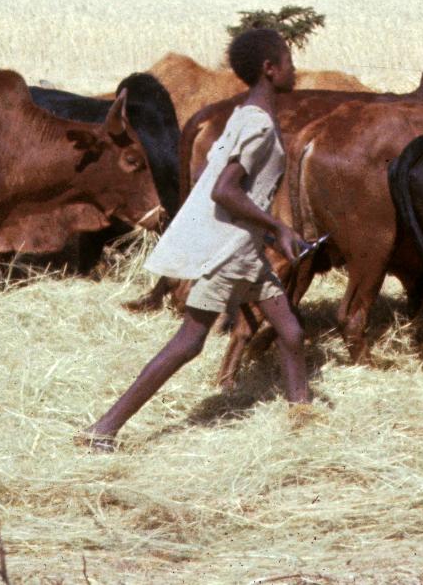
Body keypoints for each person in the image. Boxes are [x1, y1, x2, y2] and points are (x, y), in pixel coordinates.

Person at [82, 27, 311, 449]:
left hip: (246, 252)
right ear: (270, 69)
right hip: (231, 254)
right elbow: (224, 189)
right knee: (188, 342)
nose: (295, 69)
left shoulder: (244, 115)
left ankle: (302, 415)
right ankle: (105, 427)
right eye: (289, 61)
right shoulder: (258, 125)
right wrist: (278, 226)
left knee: (292, 333)